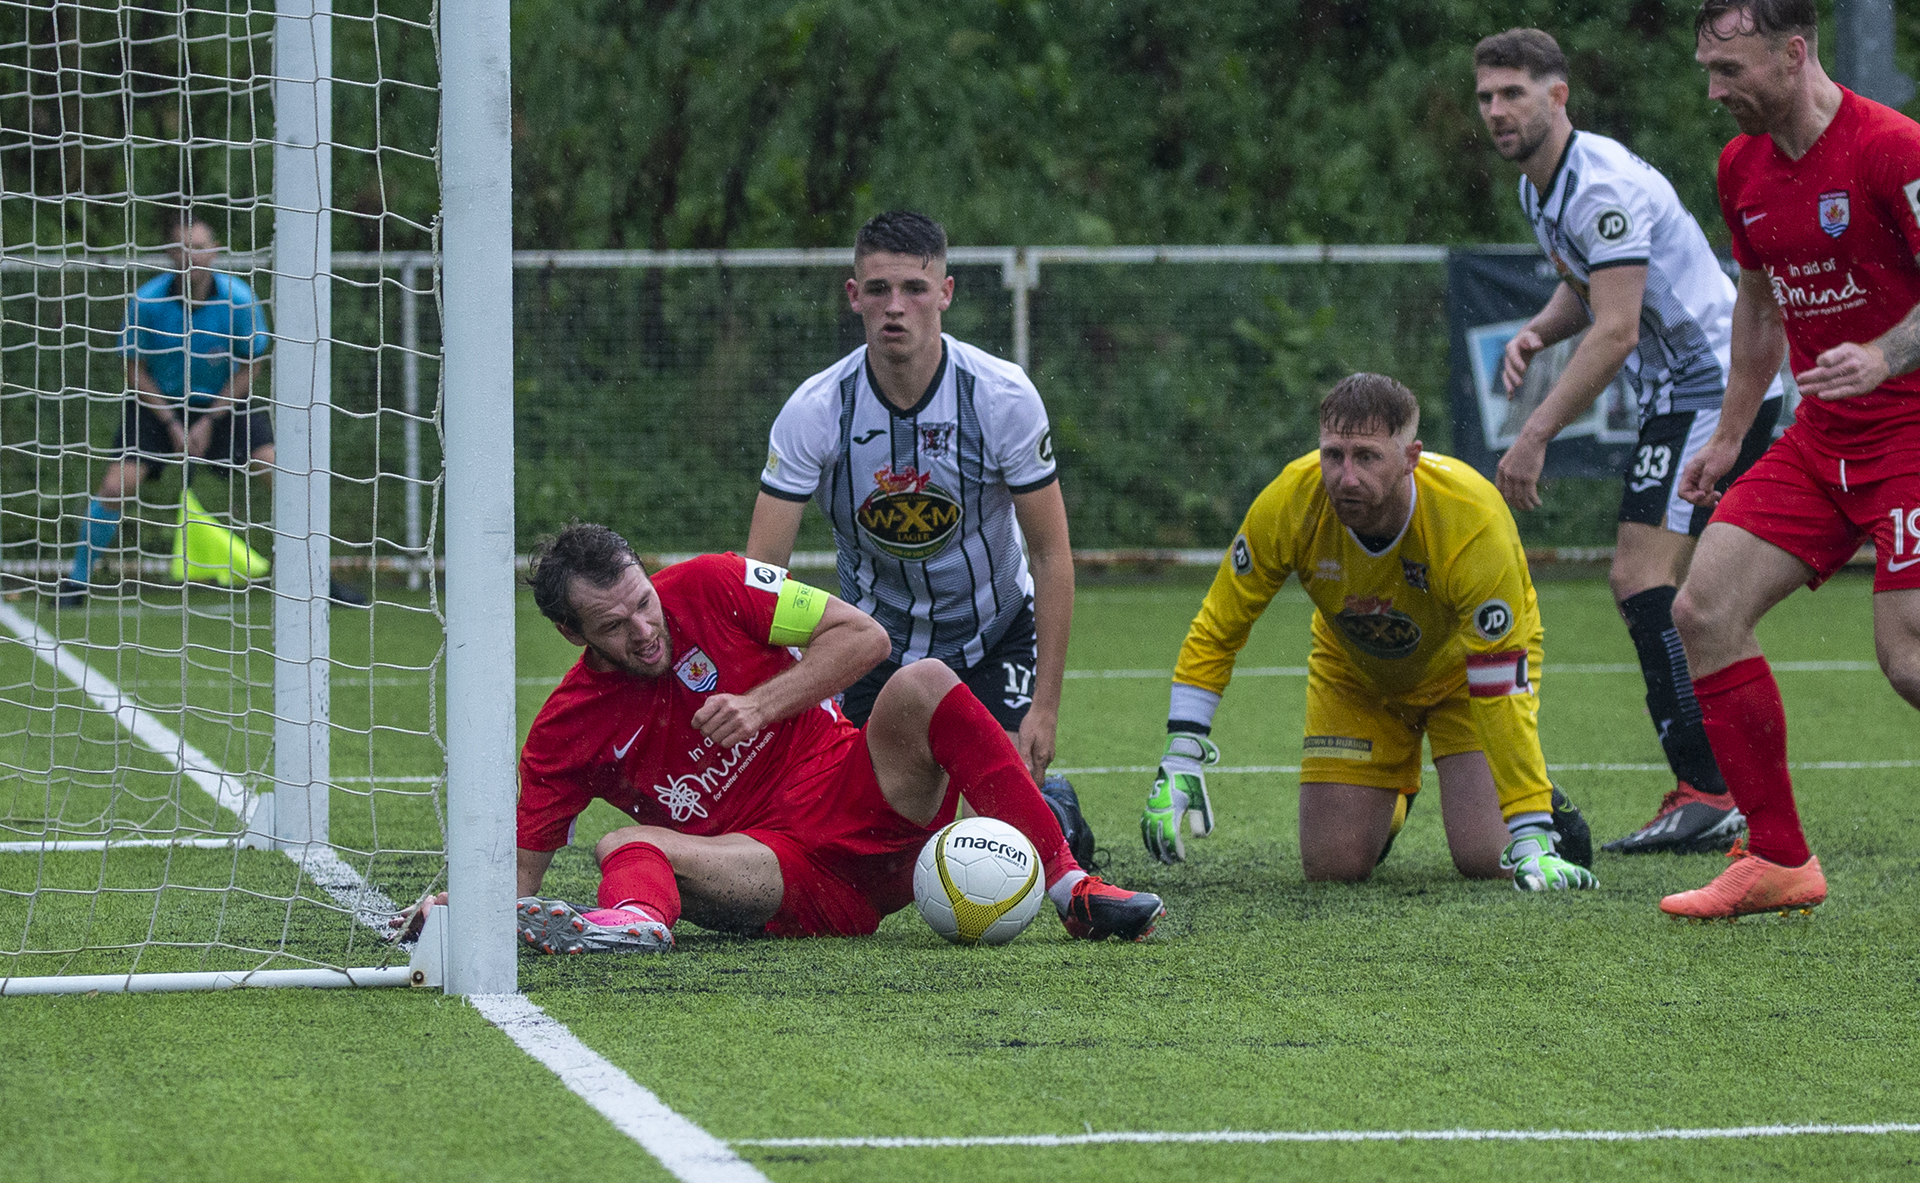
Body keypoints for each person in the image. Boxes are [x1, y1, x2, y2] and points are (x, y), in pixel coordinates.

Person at [508, 523, 1165, 952]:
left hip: (871, 806)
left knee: (924, 679)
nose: (644, 628)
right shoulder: (564, 731)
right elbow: (520, 879)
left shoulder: (714, 581)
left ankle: (1070, 887)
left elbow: (865, 637)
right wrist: (469, 913)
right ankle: (633, 923)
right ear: (575, 634)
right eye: (614, 624)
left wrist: (760, 704)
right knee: (621, 844)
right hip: (779, 872)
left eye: (644, 601)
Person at [1474, 27, 1784, 857]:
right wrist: (1538, 332)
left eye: (1513, 93)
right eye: (1486, 97)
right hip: (1681, 392)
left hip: (1716, 386)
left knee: (1646, 578)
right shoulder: (1541, 190)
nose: (1497, 111)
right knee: (1681, 590)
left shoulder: (1597, 186)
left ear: (1558, 96)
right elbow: (1591, 291)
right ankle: (1716, 781)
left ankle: (1709, 786)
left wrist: (1536, 432)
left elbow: (1614, 331)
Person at [1658, 0, 1920, 919]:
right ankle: (1778, 858)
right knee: (1703, 607)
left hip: (1914, 435)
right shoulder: (1742, 168)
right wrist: (1731, 435)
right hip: (1821, 443)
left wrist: (1887, 353)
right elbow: (1760, 309)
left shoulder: (1893, 148)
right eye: (1707, 70)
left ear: (1794, 52)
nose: (1714, 90)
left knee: (1910, 659)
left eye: (1729, 71)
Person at [1138, 374, 1596, 891]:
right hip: (1355, 674)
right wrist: (1181, 752)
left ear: (1411, 456)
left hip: (1465, 679)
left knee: (1488, 857)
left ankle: (1545, 803)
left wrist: (1531, 827)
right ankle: (1395, 792)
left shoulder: (1471, 518)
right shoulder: (1291, 499)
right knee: (1334, 868)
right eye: (1333, 455)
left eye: (1367, 456)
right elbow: (1220, 625)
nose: (1346, 477)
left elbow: (1498, 683)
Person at [746, 210, 1092, 861]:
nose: (895, 307)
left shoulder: (1001, 396)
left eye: (913, 287)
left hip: (996, 635)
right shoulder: (816, 411)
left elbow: (1049, 555)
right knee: (854, 841)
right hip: (872, 646)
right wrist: (780, 691)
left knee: (990, 843)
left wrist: (1044, 707)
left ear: (946, 292)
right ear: (854, 297)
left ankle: (1055, 807)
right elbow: (761, 574)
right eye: (878, 289)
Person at [57, 213, 364, 608]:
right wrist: (170, 420)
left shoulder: (238, 299)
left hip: (223, 404)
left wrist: (209, 419)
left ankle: (318, 578)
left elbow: (251, 365)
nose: (192, 256)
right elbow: (133, 369)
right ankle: (75, 583)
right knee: (116, 485)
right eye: (184, 248)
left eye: (200, 247)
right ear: (170, 254)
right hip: (159, 405)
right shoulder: (147, 302)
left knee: (281, 472)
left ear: (215, 252)